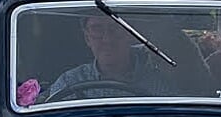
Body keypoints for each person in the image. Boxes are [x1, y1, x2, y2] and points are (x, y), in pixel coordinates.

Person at [44, 12, 179, 102]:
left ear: (129, 35)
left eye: (115, 28)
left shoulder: (158, 83)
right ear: (87, 38)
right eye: (97, 29)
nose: (107, 39)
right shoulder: (69, 82)